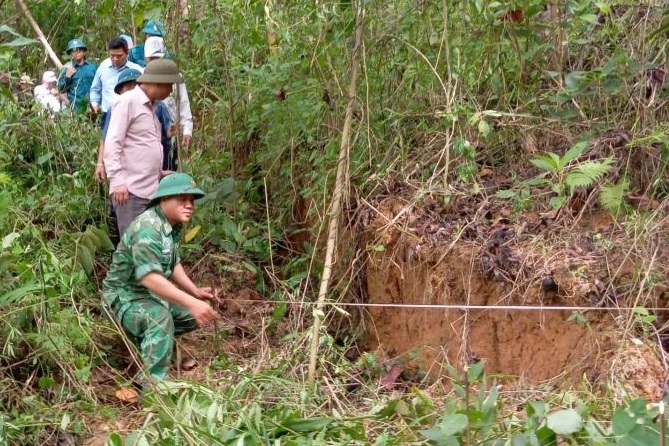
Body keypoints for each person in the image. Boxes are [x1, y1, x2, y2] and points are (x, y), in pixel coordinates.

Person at [101, 173, 220, 382]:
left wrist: (195, 292)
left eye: (191, 201)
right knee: (160, 317)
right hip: (123, 297)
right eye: (182, 199)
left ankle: (152, 348)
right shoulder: (148, 227)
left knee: (191, 315)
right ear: (164, 199)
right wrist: (191, 301)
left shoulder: (170, 226)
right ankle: (154, 388)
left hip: (148, 296)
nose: (189, 205)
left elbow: (172, 263)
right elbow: (149, 278)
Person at [103, 59, 183, 236]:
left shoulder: (150, 107)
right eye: (169, 85)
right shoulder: (128, 102)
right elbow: (113, 142)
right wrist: (117, 181)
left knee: (148, 246)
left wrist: (160, 173)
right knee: (135, 246)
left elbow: (139, 146)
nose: (170, 91)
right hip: (131, 191)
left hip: (149, 190)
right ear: (157, 83)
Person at [144, 36, 193, 170]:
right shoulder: (141, 78)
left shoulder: (175, 77)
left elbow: (183, 103)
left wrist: (187, 130)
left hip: (171, 136)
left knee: (171, 172)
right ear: (146, 59)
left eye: (157, 59)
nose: (155, 63)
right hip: (150, 139)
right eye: (151, 60)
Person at [90, 37, 143, 127]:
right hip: (107, 115)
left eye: (119, 56)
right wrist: (94, 105)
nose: (115, 59)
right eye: (112, 55)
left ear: (127, 54)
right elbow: (95, 89)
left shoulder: (136, 71)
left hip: (130, 116)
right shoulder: (103, 67)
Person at [57, 38, 97, 114]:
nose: (77, 53)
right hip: (75, 108)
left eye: (79, 50)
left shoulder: (93, 67)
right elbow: (60, 89)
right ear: (70, 53)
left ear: (83, 51)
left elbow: (99, 85)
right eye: (74, 51)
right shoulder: (66, 68)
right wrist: (67, 77)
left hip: (92, 107)